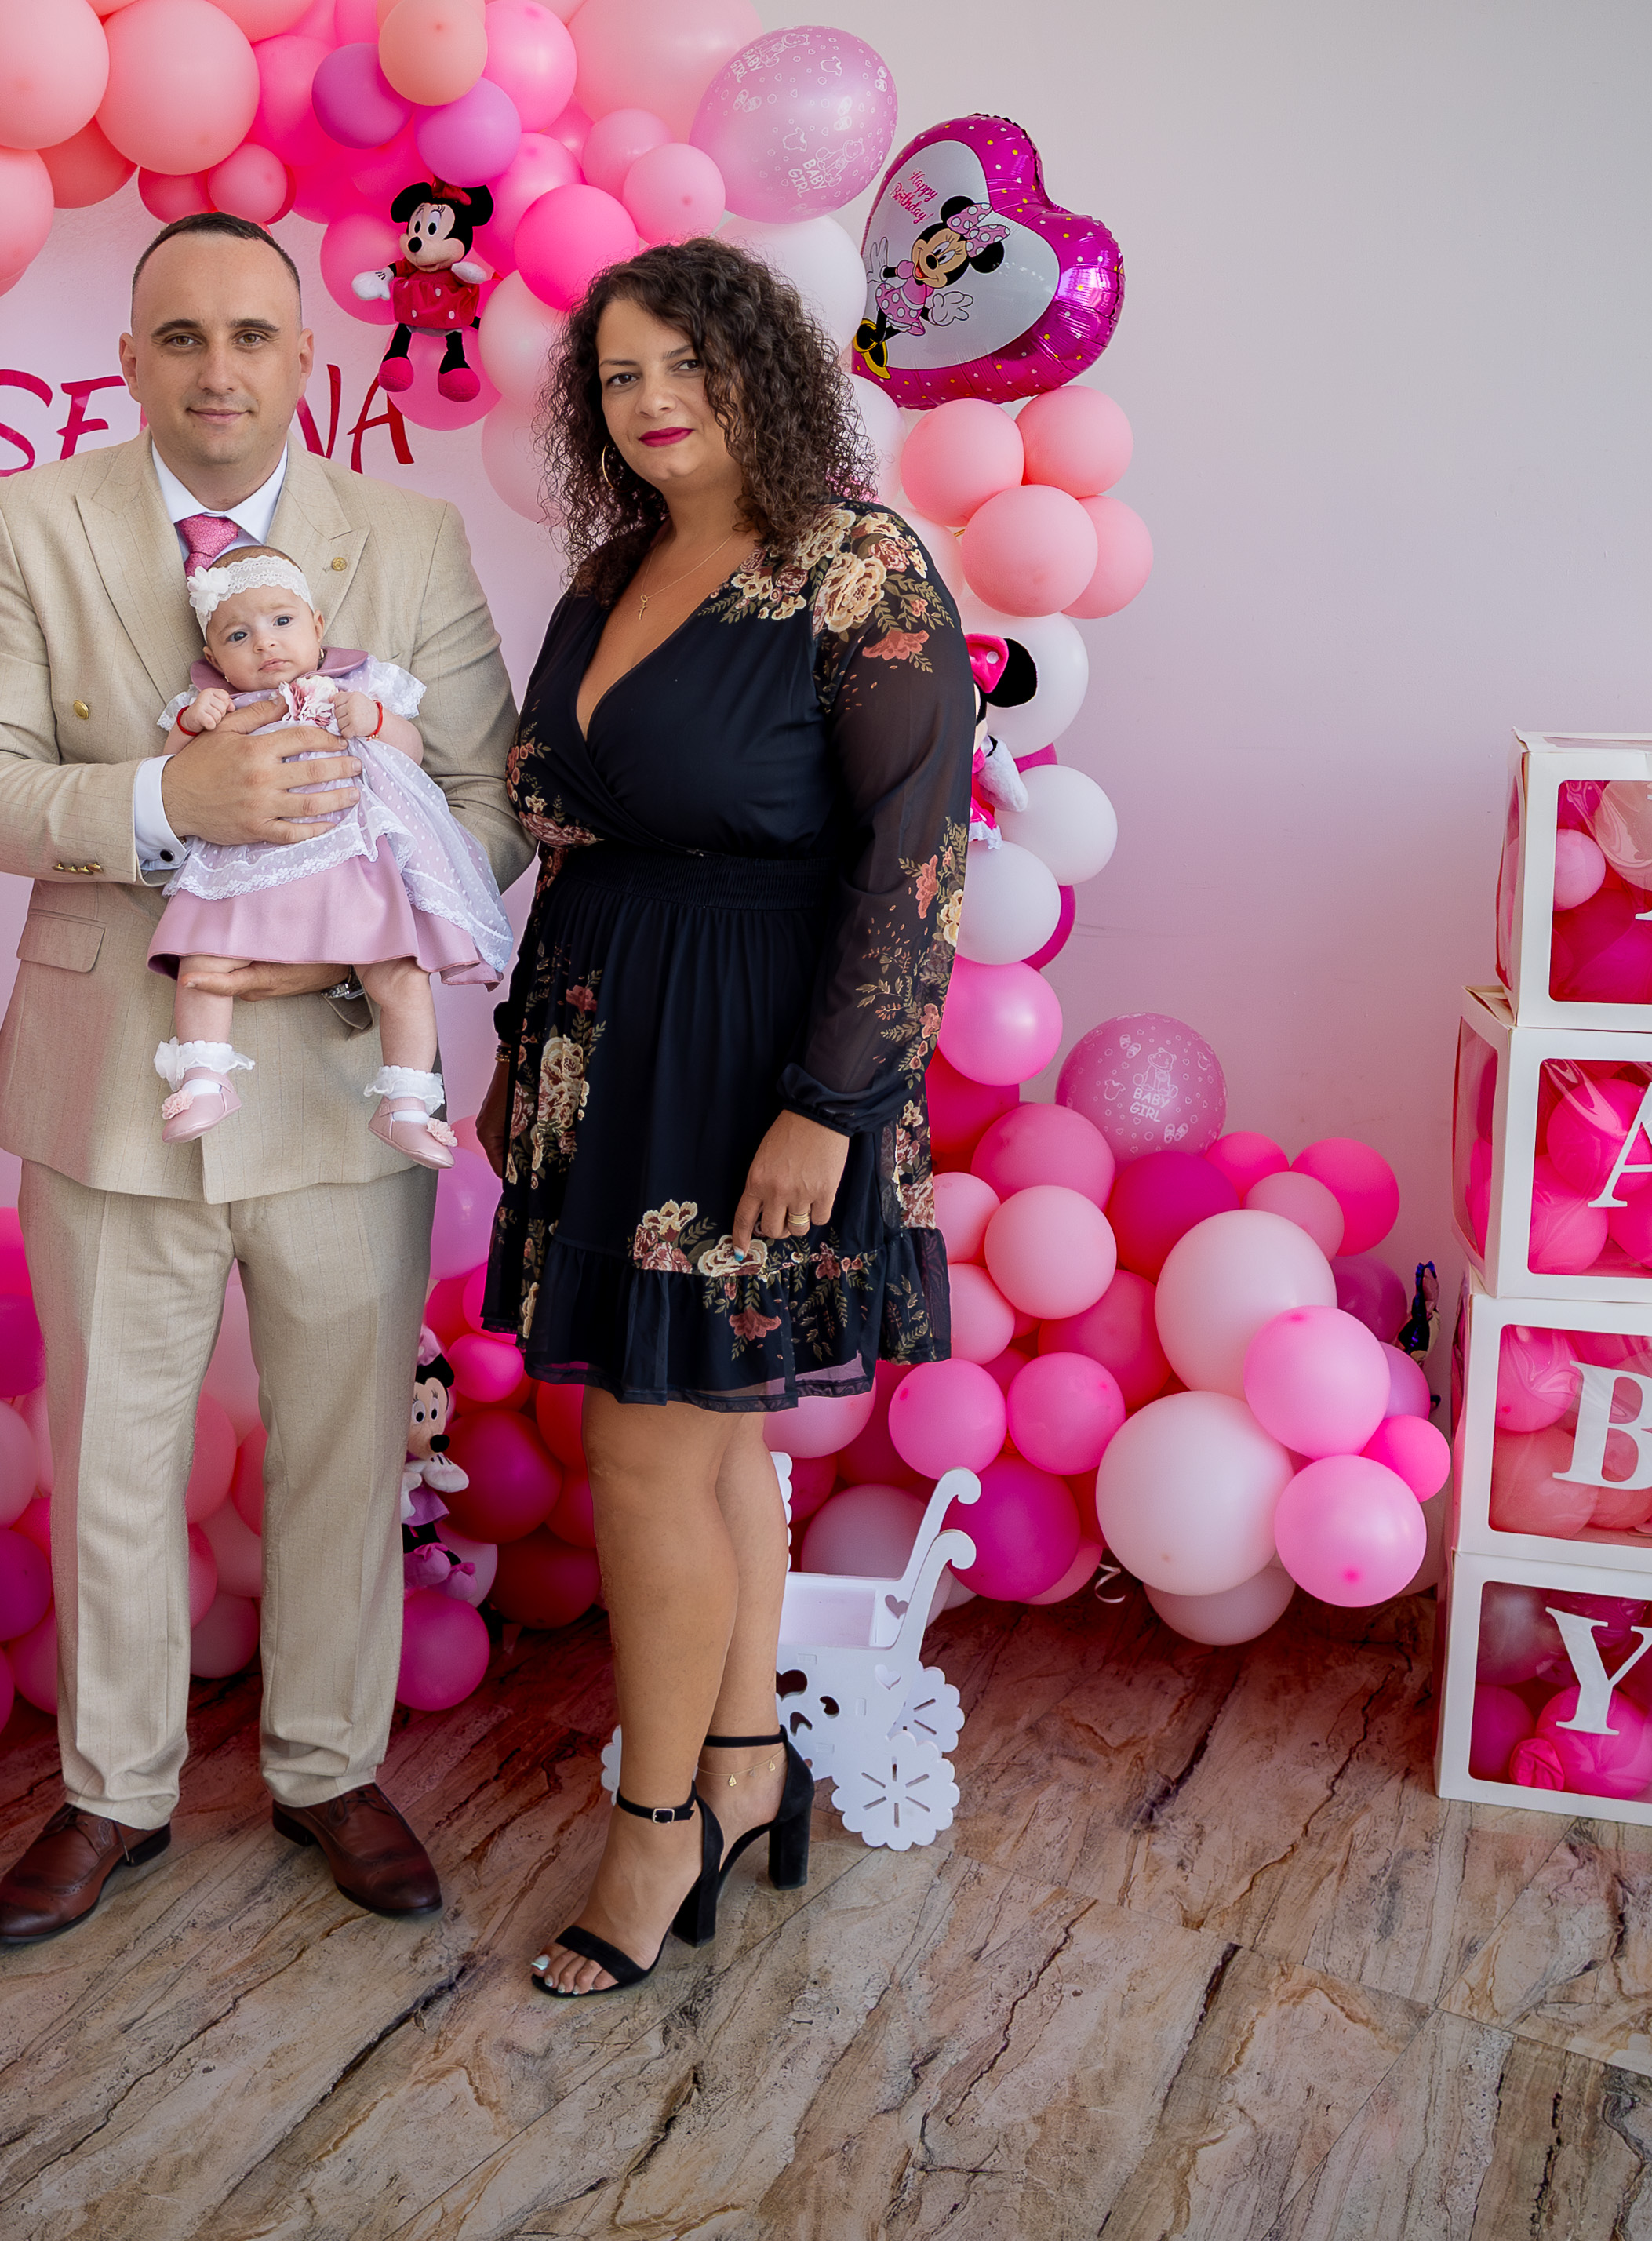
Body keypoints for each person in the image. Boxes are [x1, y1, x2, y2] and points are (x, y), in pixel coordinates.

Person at [0, 211, 528, 1945]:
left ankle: (329, 1764)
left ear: (303, 360)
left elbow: (488, 797)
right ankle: (111, 1790)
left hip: (346, 1075)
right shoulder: (32, 522)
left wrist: (361, 918)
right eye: (180, 337)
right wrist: (160, 805)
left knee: (346, 1449)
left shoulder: (406, 538)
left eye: (250, 335)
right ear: (127, 360)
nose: (216, 368)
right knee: (109, 1460)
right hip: (113, 1075)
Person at [476, 238, 977, 1999]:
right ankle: (751, 1765)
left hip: (758, 1062)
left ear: (759, 367)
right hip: (605, 1045)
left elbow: (914, 863)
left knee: (646, 1456)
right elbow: (570, 837)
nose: (652, 399)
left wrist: (828, 1108)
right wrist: (522, 1056)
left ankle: (655, 1825)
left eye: (685, 362)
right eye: (618, 375)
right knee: (706, 1449)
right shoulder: (611, 570)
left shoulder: (858, 566)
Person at [145, 537, 516, 1160]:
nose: (264, 643)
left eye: (282, 621)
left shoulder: (357, 684)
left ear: (317, 626)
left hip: (354, 863)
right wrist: (190, 725)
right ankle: (204, 1079)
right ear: (212, 657)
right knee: (202, 965)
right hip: (247, 862)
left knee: (400, 973)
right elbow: (169, 776)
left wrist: (375, 720)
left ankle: (406, 1103)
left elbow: (414, 754)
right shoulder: (218, 705)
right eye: (238, 636)